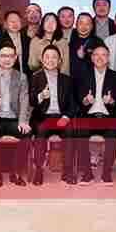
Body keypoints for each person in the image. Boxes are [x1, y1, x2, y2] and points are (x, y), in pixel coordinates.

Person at [0, 43, 32, 187]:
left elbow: (24, 100)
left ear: (15, 58)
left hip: (14, 118)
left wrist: (23, 121)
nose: (7, 59)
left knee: (26, 133)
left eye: (10, 56)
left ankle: (16, 172)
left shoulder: (21, 77)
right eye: (4, 56)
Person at [74, 44, 116, 185]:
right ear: (91, 58)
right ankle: (87, 174)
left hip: (108, 117)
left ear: (108, 58)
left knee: (112, 133)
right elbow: (77, 100)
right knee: (80, 131)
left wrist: (111, 101)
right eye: (96, 54)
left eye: (103, 55)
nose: (100, 58)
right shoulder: (83, 76)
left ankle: (106, 173)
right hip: (89, 116)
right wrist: (85, 101)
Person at [28, 45, 77, 185]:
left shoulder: (67, 80)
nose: (51, 60)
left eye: (54, 57)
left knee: (70, 131)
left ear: (60, 60)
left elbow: (73, 104)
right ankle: (39, 170)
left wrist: (66, 117)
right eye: (47, 57)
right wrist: (41, 96)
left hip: (61, 117)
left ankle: (67, 171)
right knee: (41, 130)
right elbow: (31, 101)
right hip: (43, 117)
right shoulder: (35, 78)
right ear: (42, 60)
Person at [0, 10, 31, 77]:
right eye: (12, 22)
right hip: (7, 76)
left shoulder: (27, 39)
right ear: (5, 24)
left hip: (26, 77)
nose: (15, 24)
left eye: (18, 21)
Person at [69, 12, 105, 77]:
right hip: (70, 80)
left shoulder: (98, 42)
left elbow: (103, 62)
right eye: (81, 23)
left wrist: (84, 57)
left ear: (92, 26)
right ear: (76, 25)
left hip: (91, 79)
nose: (84, 26)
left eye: (87, 24)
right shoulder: (69, 39)